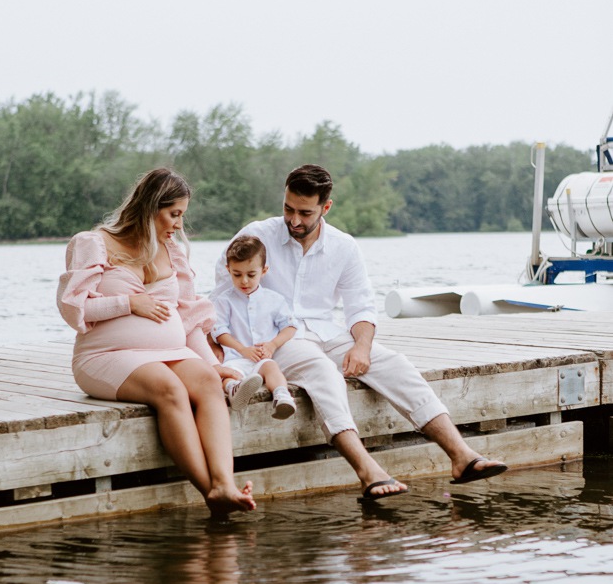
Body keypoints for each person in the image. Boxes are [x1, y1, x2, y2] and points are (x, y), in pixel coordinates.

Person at [213, 164, 507, 500]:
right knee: (322, 371)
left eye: (305, 213)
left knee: (394, 363)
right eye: (288, 208)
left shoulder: (344, 246)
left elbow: (361, 308)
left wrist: (362, 347)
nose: (294, 220)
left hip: (328, 331)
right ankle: (368, 472)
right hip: (278, 340)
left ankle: (462, 457)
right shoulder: (256, 236)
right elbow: (221, 298)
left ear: (326, 207)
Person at [57, 168, 256, 517]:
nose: (179, 224)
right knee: (169, 389)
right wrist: (128, 303)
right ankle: (209, 491)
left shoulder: (172, 252)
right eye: (174, 214)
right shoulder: (93, 243)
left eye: (182, 215)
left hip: (169, 351)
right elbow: (74, 307)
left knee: (209, 382)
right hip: (105, 355)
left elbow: (189, 319)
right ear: (150, 206)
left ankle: (225, 482)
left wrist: (212, 364)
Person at [213, 235, 298, 419]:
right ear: (228, 270)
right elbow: (220, 332)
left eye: (251, 275)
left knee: (271, 367)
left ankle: (282, 396)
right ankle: (234, 389)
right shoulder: (224, 300)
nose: (244, 281)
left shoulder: (274, 299)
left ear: (264, 270)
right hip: (235, 357)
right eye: (237, 274)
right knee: (228, 375)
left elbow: (290, 326)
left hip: (260, 358)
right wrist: (242, 349)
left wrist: (272, 344)